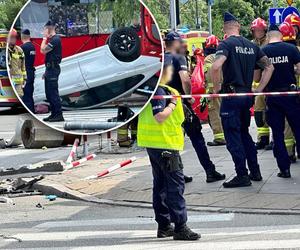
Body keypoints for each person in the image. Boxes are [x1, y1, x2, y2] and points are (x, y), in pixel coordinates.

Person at [137, 56, 200, 241]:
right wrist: (173, 104)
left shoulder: (150, 87)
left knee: (161, 186)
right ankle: (180, 226)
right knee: (174, 186)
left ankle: (164, 226)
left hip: (155, 144)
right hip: (165, 144)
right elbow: (159, 117)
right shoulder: (160, 90)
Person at [211, 12, 274, 188]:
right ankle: (255, 171)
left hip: (231, 97)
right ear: (238, 26)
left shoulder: (226, 44)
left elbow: (216, 66)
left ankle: (242, 175)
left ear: (225, 28)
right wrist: (258, 89)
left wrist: (216, 90)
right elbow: (269, 67)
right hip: (247, 96)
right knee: (245, 134)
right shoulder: (251, 46)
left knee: (233, 137)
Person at [164, 31, 226, 183]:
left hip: (166, 105)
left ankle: (176, 173)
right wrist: (189, 96)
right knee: (197, 137)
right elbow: (185, 79)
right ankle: (210, 171)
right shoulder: (178, 58)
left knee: (173, 141)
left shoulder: (160, 60)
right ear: (176, 43)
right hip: (181, 105)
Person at [260, 24, 300, 178]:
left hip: (272, 96)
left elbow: (257, 77)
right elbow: (299, 69)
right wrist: (292, 69)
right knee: (298, 129)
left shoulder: (263, 51)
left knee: (277, 134)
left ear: (268, 36)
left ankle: (284, 169)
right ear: (281, 35)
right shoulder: (291, 49)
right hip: (290, 94)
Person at [278, 22, 300, 163]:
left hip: (288, 93)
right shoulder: (296, 50)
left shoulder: (279, 50)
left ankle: (289, 153)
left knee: (287, 125)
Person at [250, 18, 271, 150]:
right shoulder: (252, 44)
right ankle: (263, 139)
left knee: (272, 111)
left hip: (268, 80)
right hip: (257, 82)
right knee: (258, 111)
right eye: (256, 30)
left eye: (260, 30)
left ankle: (274, 139)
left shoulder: (268, 43)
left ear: (265, 30)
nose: (258, 32)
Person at [203, 35, 226, 146]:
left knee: (215, 113)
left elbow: (209, 76)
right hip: (223, 89)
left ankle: (219, 138)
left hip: (213, 91)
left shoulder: (209, 58)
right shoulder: (222, 55)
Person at [41, 20, 64, 122]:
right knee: (49, 94)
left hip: (53, 69)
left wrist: (44, 38)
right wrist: (46, 71)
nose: (43, 32)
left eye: (44, 30)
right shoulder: (53, 40)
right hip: (50, 69)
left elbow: (43, 50)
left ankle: (58, 115)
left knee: (53, 93)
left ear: (49, 29)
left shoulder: (55, 40)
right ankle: (54, 113)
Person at [7, 29, 26, 97]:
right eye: (12, 37)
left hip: (18, 83)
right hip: (7, 82)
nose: (14, 39)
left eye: (15, 37)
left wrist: (24, 78)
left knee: (19, 98)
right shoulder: (4, 50)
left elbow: (23, 66)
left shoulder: (19, 50)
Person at [21, 29, 36, 113]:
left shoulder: (22, 48)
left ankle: (28, 113)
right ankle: (32, 111)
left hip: (25, 73)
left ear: (22, 36)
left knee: (25, 95)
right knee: (29, 94)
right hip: (31, 72)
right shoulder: (32, 47)